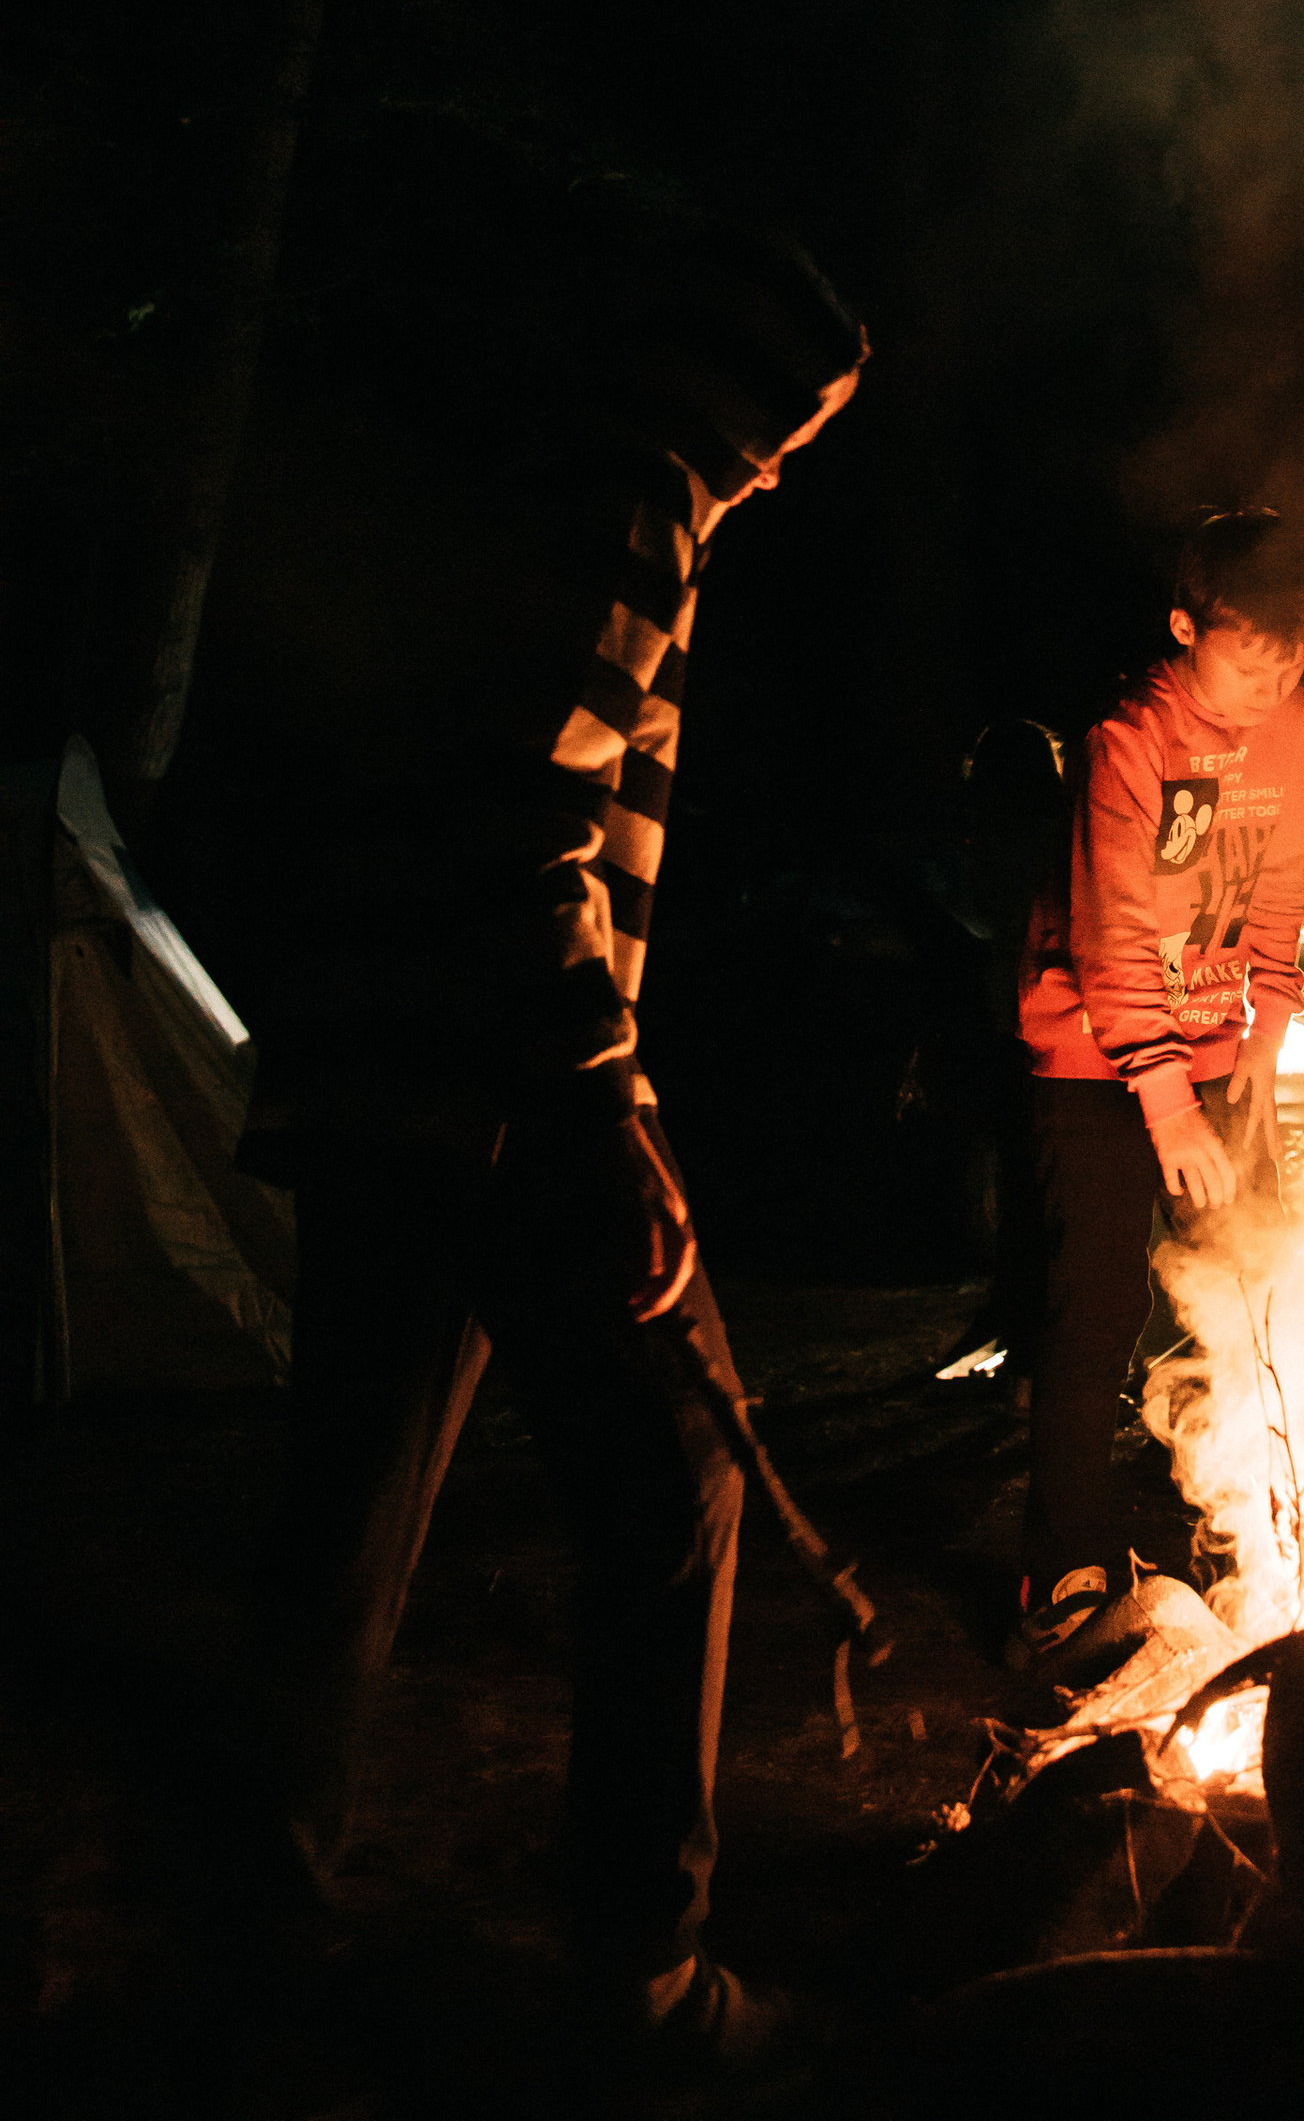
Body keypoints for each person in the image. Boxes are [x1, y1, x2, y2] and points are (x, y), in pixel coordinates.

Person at [239, 214, 866, 2080]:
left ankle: (251, 1920)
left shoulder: (507, 469)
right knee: (679, 1484)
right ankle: (644, 1977)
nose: (789, 459)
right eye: (797, 418)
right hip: (487, 1087)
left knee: (349, 1507)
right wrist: (612, 1110)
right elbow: (528, 818)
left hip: (383, 1067)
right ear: (736, 387)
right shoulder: (625, 493)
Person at [1011, 506, 1304, 1687]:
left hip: (1212, 1050)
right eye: (1249, 660)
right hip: (1098, 1062)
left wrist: (1270, 1021)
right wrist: (1166, 1100)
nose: (1269, 686)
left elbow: (1286, 872)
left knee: (1252, 1295)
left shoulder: (1295, 725)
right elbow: (1110, 930)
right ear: (1189, 628)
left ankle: (1246, 1530)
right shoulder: (1130, 736)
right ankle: (1065, 1577)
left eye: (1291, 663)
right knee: (1093, 1317)